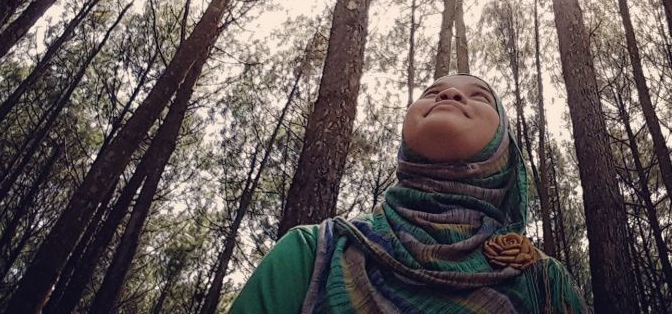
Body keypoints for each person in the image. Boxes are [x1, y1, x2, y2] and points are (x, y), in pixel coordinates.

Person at [229, 73, 587, 313]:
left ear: (504, 151)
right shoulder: (311, 252)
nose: (449, 93)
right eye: (431, 93)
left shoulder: (543, 282)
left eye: (480, 97)